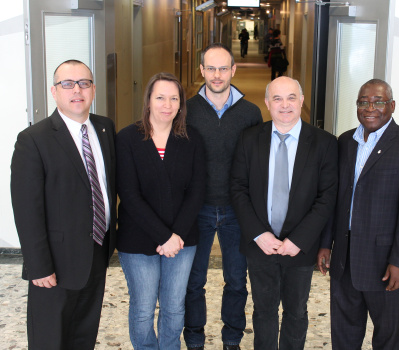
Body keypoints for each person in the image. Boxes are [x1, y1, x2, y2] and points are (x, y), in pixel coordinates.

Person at [10, 59, 117, 349]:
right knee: (50, 339)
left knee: (84, 333)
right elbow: (27, 210)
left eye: (84, 83)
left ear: (93, 89)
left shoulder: (105, 129)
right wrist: (39, 266)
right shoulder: (33, 140)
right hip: (54, 264)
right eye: (67, 84)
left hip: (96, 251)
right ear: (54, 91)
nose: (77, 90)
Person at [317, 79, 399, 349]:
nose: (370, 108)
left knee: (387, 336)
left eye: (378, 101)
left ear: (391, 105)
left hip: (385, 265)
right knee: (343, 332)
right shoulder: (344, 142)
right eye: (363, 102)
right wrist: (325, 244)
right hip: (344, 258)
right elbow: (335, 198)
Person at [231, 77, 338, 350]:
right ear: (267, 103)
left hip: (300, 247)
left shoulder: (324, 143)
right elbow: (238, 190)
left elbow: (326, 198)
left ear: (302, 101)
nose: (285, 105)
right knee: (263, 312)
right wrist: (259, 234)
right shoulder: (249, 139)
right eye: (277, 98)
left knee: (296, 312)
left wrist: (299, 239)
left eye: (291, 97)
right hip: (260, 246)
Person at [116, 73, 206, 349]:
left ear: (181, 104)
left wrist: (175, 235)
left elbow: (197, 191)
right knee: (143, 309)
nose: (167, 104)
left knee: (174, 307)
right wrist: (163, 237)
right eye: (160, 97)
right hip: (138, 239)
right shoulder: (128, 138)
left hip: (182, 240)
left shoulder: (191, 138)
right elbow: (129, 195)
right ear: (148, 102)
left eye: (174, 98)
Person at [183, 43, 262, 350]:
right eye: (210, 69)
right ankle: (194, 338)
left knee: (237, 281)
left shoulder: (251, 113)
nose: (217, 76)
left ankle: (232, 339)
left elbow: (256, 166)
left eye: (223, 68)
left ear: (233, 70)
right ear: (201, 70)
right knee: (194, 282)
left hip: (236, 210)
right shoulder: (186, 110)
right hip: (197, 209)